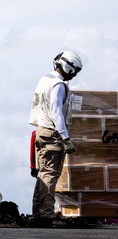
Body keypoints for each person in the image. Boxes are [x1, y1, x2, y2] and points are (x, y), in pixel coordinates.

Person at [28, 50, 83, 223]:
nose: (73, 76)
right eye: (74, 72)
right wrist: (65, 138)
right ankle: (46, 215)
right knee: (50, 175)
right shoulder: (58, 85)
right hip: (53, 133)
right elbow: (57, 113)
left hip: (41, 130)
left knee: (43, 174)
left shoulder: (45, 79)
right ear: (68, 67)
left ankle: (38, 213)